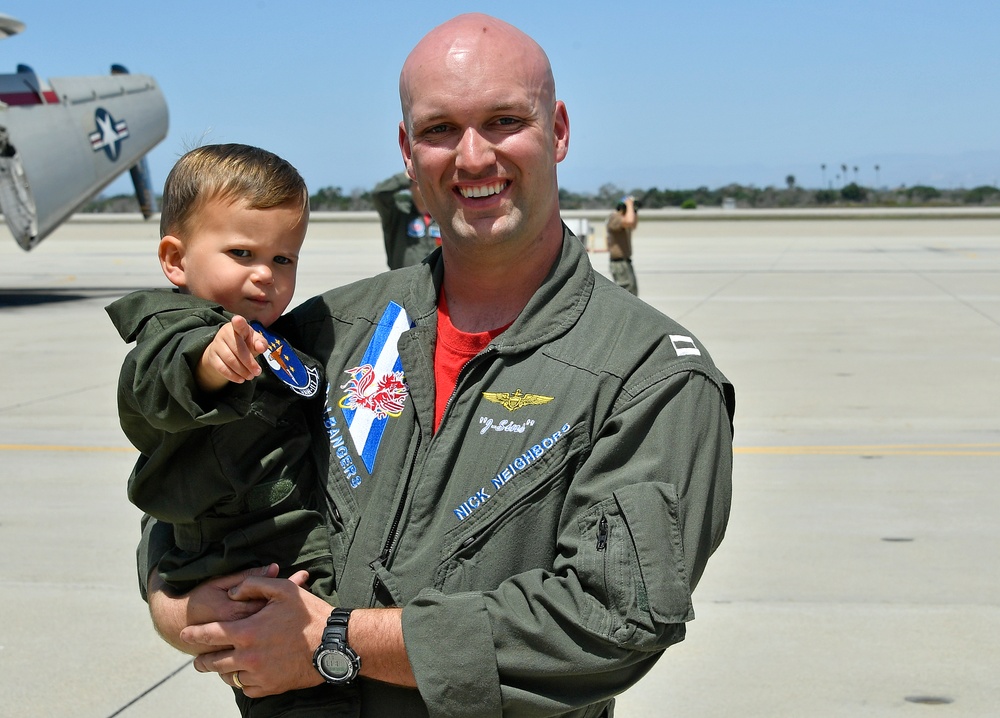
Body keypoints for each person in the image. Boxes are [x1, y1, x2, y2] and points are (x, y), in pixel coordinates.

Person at [141, 15, 735, 718]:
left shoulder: (648, 376)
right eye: (440, 129)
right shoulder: (327, 335)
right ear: (406, 150)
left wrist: (338, 639)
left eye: (505, 119)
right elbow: (202, 480)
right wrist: (174, 604)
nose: (474, 156)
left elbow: (612, 622)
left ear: (561, 130)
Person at [106, 143, 358, 718]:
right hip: (247, 556)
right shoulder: (178, 328)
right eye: (241, 253)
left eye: (284, 258)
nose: (264, 276)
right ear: (175, 260)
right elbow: (157, 381)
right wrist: (212, 363)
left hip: (283, 544)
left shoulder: (274, 334)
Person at [372, 171, 440, 269]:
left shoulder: (443, 216)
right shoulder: (398, 214)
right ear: (409, 186)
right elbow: (379, 194)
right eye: (419, 182)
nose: (424, 187)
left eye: (428, 183)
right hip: (403, 281)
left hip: (436, 280)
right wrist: (405, 176)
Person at [606, 195, 639, 295]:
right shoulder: (615, 218)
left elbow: (633, 224)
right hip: (619, 263)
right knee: (627, 294)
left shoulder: (621, 219)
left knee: (633, 293)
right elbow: (629, 221)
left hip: (625, 262)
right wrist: (629, 204)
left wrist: (634, 210)